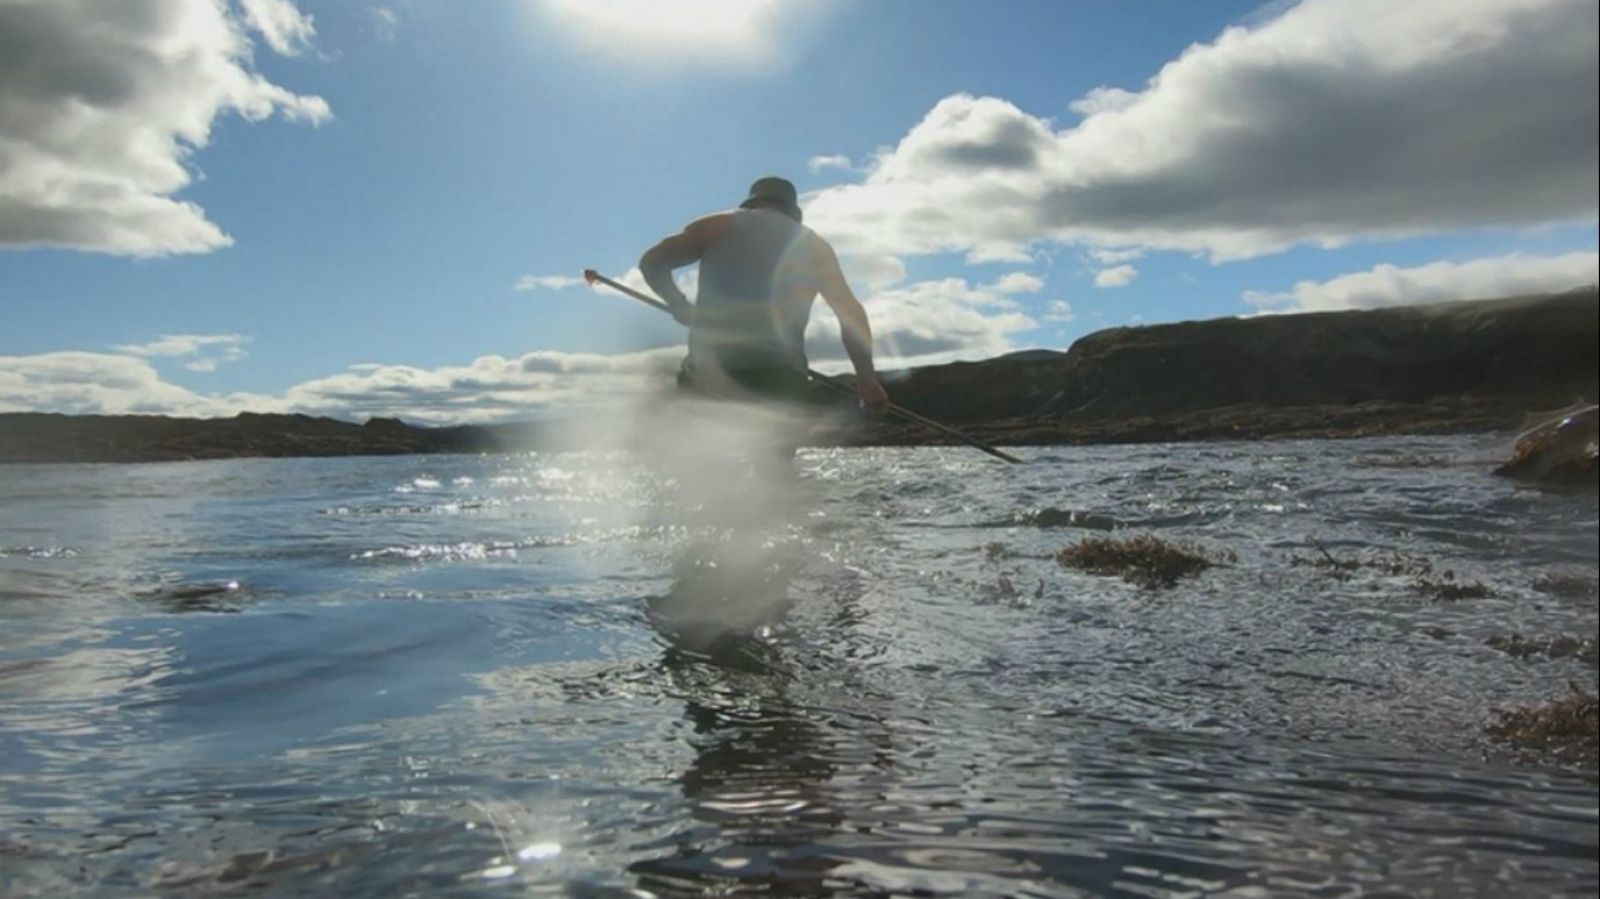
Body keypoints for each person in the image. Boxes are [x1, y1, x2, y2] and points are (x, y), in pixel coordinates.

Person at [639, 176, 890, 416]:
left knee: (694, 457)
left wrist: (679, 305)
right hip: (781, 376)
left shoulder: (717, 226)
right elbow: (851, 315)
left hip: (710, 369)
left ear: (752, 203)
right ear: (792, 211)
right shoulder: (815, 247)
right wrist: (867, 382)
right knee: (773, 460)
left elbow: (652, 262)